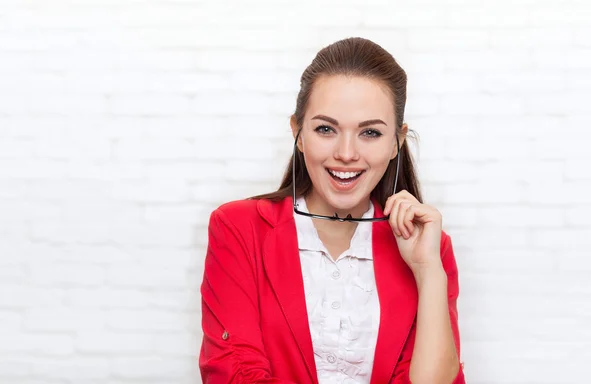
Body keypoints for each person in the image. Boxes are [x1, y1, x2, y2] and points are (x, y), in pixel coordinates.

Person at [199, 37, 465, 384]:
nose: (346, 153)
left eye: (370, 132)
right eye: (326, 129)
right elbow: (233, 372)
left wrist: (428, 270)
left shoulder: (430, 247)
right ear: (298, 133)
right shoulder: (239, 228)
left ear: (396, 143)